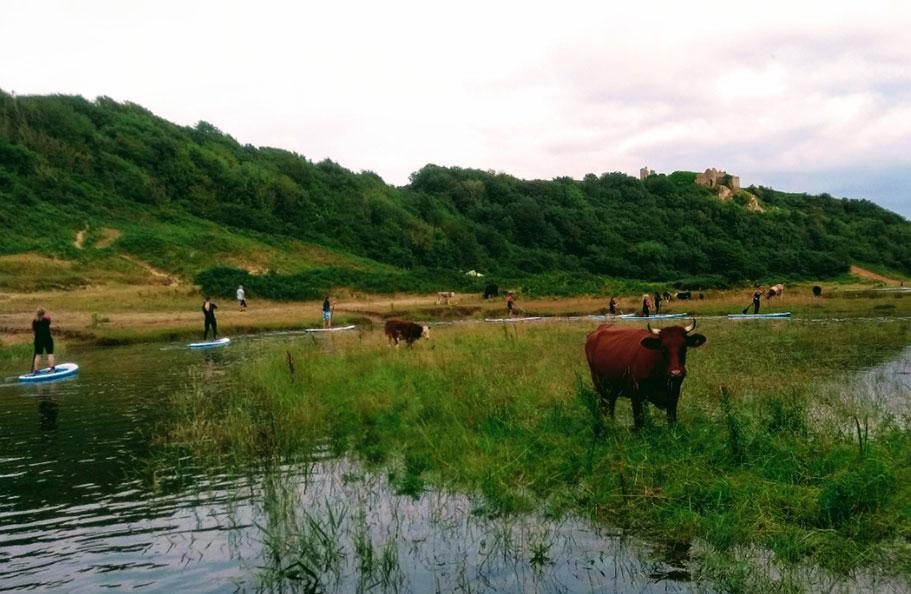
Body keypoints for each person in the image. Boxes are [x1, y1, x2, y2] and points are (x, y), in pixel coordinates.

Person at [31, 308, 55, 373]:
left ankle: (36, 370)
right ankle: (52, 369)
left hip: (38, 340)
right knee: (50, 353)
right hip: (47, 339)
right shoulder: (47, 320)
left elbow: (33, 330)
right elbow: (49, 320)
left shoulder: (34, 321)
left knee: (38, 355)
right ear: (44, 313)